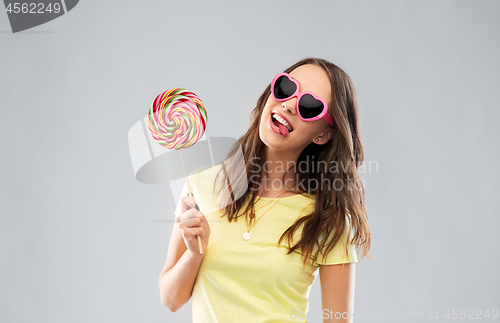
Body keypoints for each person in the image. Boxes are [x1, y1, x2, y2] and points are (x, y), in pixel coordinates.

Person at [159, 57, 371, 322]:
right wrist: (194, 254)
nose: (290, 104)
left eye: (309, 105)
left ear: (323, 135)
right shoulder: (201, 184)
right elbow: (171, 300)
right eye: (286, 88)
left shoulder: (327, 218)